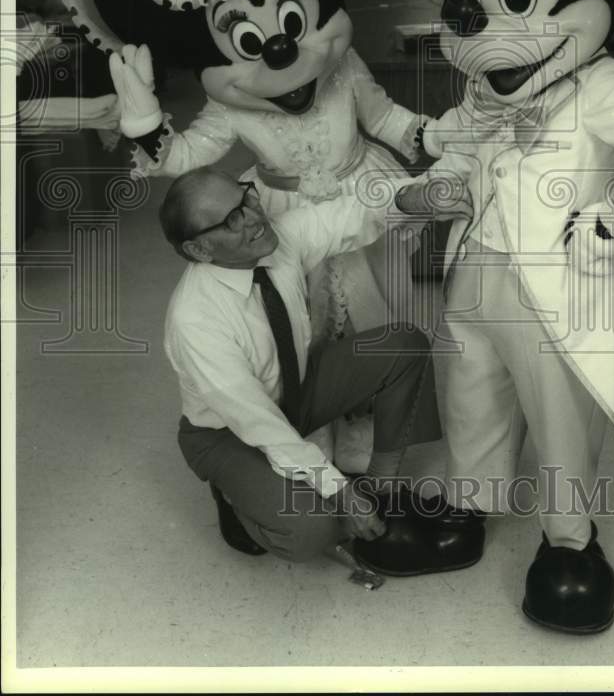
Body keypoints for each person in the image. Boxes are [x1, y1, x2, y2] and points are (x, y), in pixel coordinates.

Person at [160, 167, 456, 564]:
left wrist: (407, 198)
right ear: (198, 250)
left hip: (295, 391)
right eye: (231, 219)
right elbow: (257, 422)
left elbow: (346, 216)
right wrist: (340, 492)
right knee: (311, 530)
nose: (252, 216)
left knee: (403, 344)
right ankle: (234, 497)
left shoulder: (277, 240)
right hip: (229, 432)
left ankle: (381, 486)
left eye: (245, 197)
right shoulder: (195, 319)